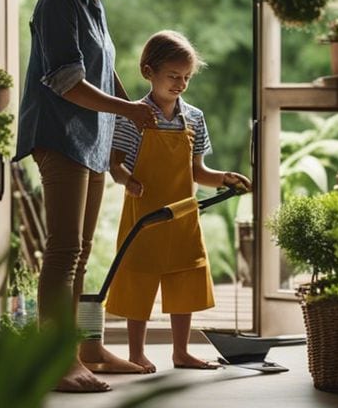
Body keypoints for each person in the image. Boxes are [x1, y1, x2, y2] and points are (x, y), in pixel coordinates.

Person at [13, 0, 158, 393]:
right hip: (59, 136)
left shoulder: (91, 2)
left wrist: (134, 105)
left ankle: (82, 351)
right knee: (63, 251)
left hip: (90, 139)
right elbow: (66, 80)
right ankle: (54, 361)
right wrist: (127, 111)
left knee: (79, 252)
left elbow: (101, 69)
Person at [105, 30, 252, 373]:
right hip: (145, 217)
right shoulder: (134, 117)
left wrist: (226, 178)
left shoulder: (195, 118)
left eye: (186, 77)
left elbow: (198, 172)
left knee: (184, 281)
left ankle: (181, 351)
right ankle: (136, 353)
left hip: (183, 215)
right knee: (139, 282)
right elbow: (114, 164)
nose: (181, 84)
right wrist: (130, 182)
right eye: (173, 76)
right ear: (148, 72)